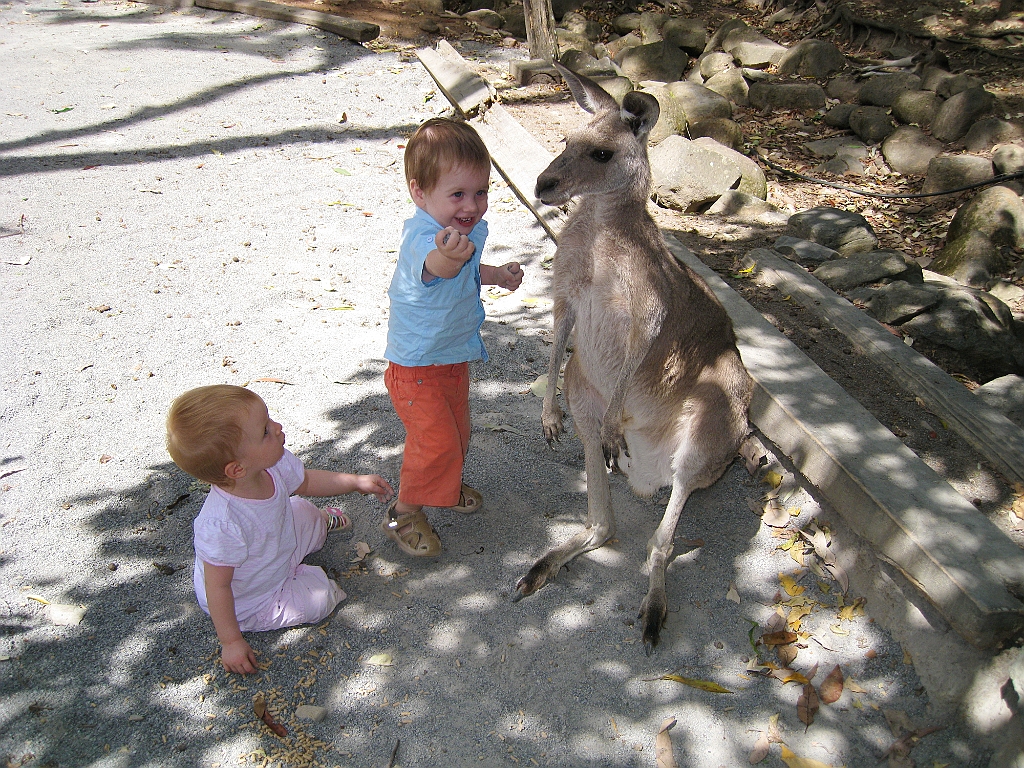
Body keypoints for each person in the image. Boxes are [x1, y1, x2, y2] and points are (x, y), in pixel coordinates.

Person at [165, 384, 393, 674]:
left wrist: (355, 482)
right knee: (320, 599)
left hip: (275, 548)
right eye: (265, 430)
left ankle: (318, 529)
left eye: (269, 419)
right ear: (237, 469)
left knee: (303, 509)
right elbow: (218, 586)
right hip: (254, 598)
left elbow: (306, 482)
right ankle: (301, 579)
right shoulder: (222, 524)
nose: (277, 427)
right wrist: (231, 641)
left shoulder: (271, 464)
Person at [383, 117, 524, 557]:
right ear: (419, 192)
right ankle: (403, 513)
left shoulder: (460, 234)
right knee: (435, 441)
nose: (472, 205)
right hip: (415, 366)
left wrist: (496, 275)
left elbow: (465, 271)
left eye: (480, 192)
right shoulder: (424, 239)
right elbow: (439, 268)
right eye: (458, 194)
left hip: (450, 357)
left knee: (457, 433)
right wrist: (447, 255)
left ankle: (442, 484)